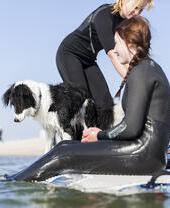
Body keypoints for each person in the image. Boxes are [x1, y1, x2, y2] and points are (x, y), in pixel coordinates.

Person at [4, 16, 170, 182]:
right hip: (147, 152)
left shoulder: (140, 73)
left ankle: (11, 181)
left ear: (131, 46)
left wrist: (100, 135)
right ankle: (15, 177)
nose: (115, 49)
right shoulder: (149, 69)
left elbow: (131, 128)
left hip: (141, 154)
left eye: (117, 43)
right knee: (64, 146)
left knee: (63, 153)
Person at [56, 0, 154, 129]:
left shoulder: (126, 23)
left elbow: (130, 52)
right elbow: (113, 55)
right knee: (82, 99)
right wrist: (133, 80)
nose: (137, 13)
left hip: (88, 60)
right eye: (136, 8)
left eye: (140, 10)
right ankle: (68, 137)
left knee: (105, 102)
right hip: (69, 55)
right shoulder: (105, 15)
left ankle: (102, 139)